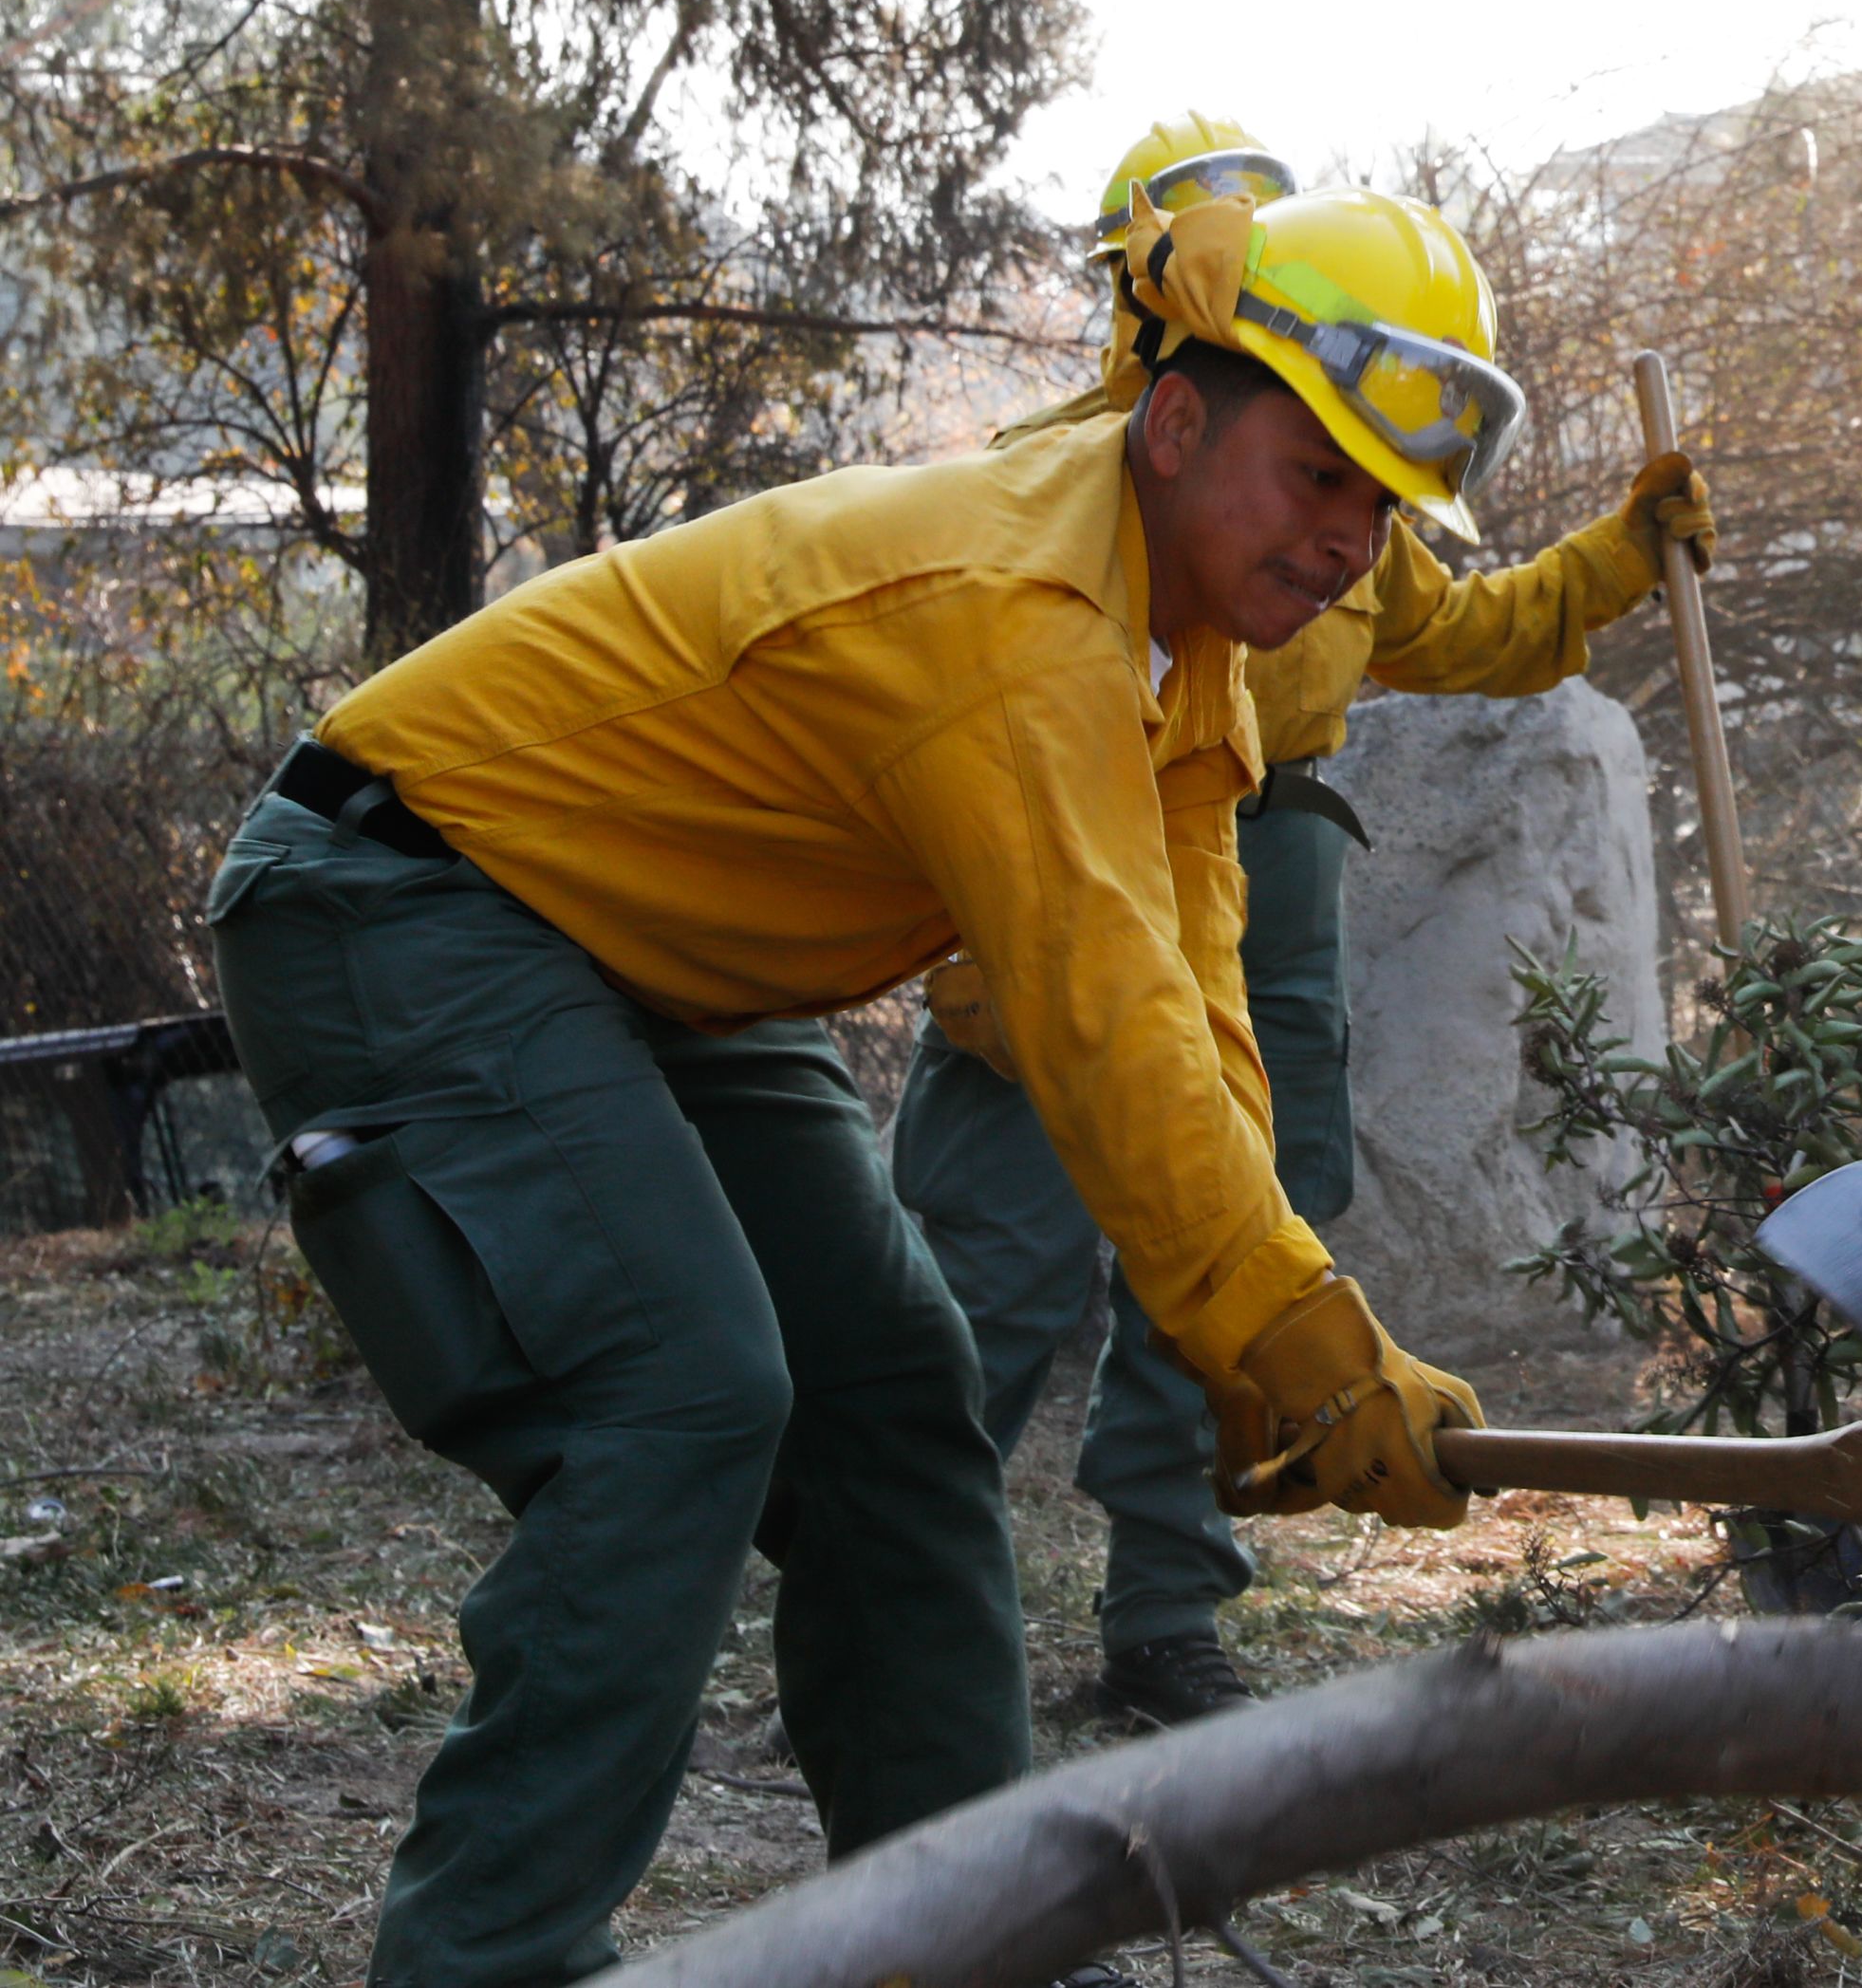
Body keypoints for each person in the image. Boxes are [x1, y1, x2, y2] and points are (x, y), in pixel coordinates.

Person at [206, 170, 1508, 1988]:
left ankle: (971, 1944)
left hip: (655, 966)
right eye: (1320, 478)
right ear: (1180, 419)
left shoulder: (1185, 661)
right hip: (405, 891)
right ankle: (484, 1966)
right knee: (683, 1392)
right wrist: (1290, 1328)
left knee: (894, 1396)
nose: (1354, 543)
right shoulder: (1020, 613)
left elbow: (1197, 1013)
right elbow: (1093, 1012)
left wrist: (1258, 1329)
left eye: (1384, 507)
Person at [889, 116, 1714, 1728]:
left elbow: (1474, 629)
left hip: (1274, 883)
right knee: (984, 1273)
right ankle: (884, 1620)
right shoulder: (1061, 486)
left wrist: (1620, 558)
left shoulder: (1330, 503)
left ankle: (1166, 1619)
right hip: (1064, 888)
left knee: (1244, 1252)